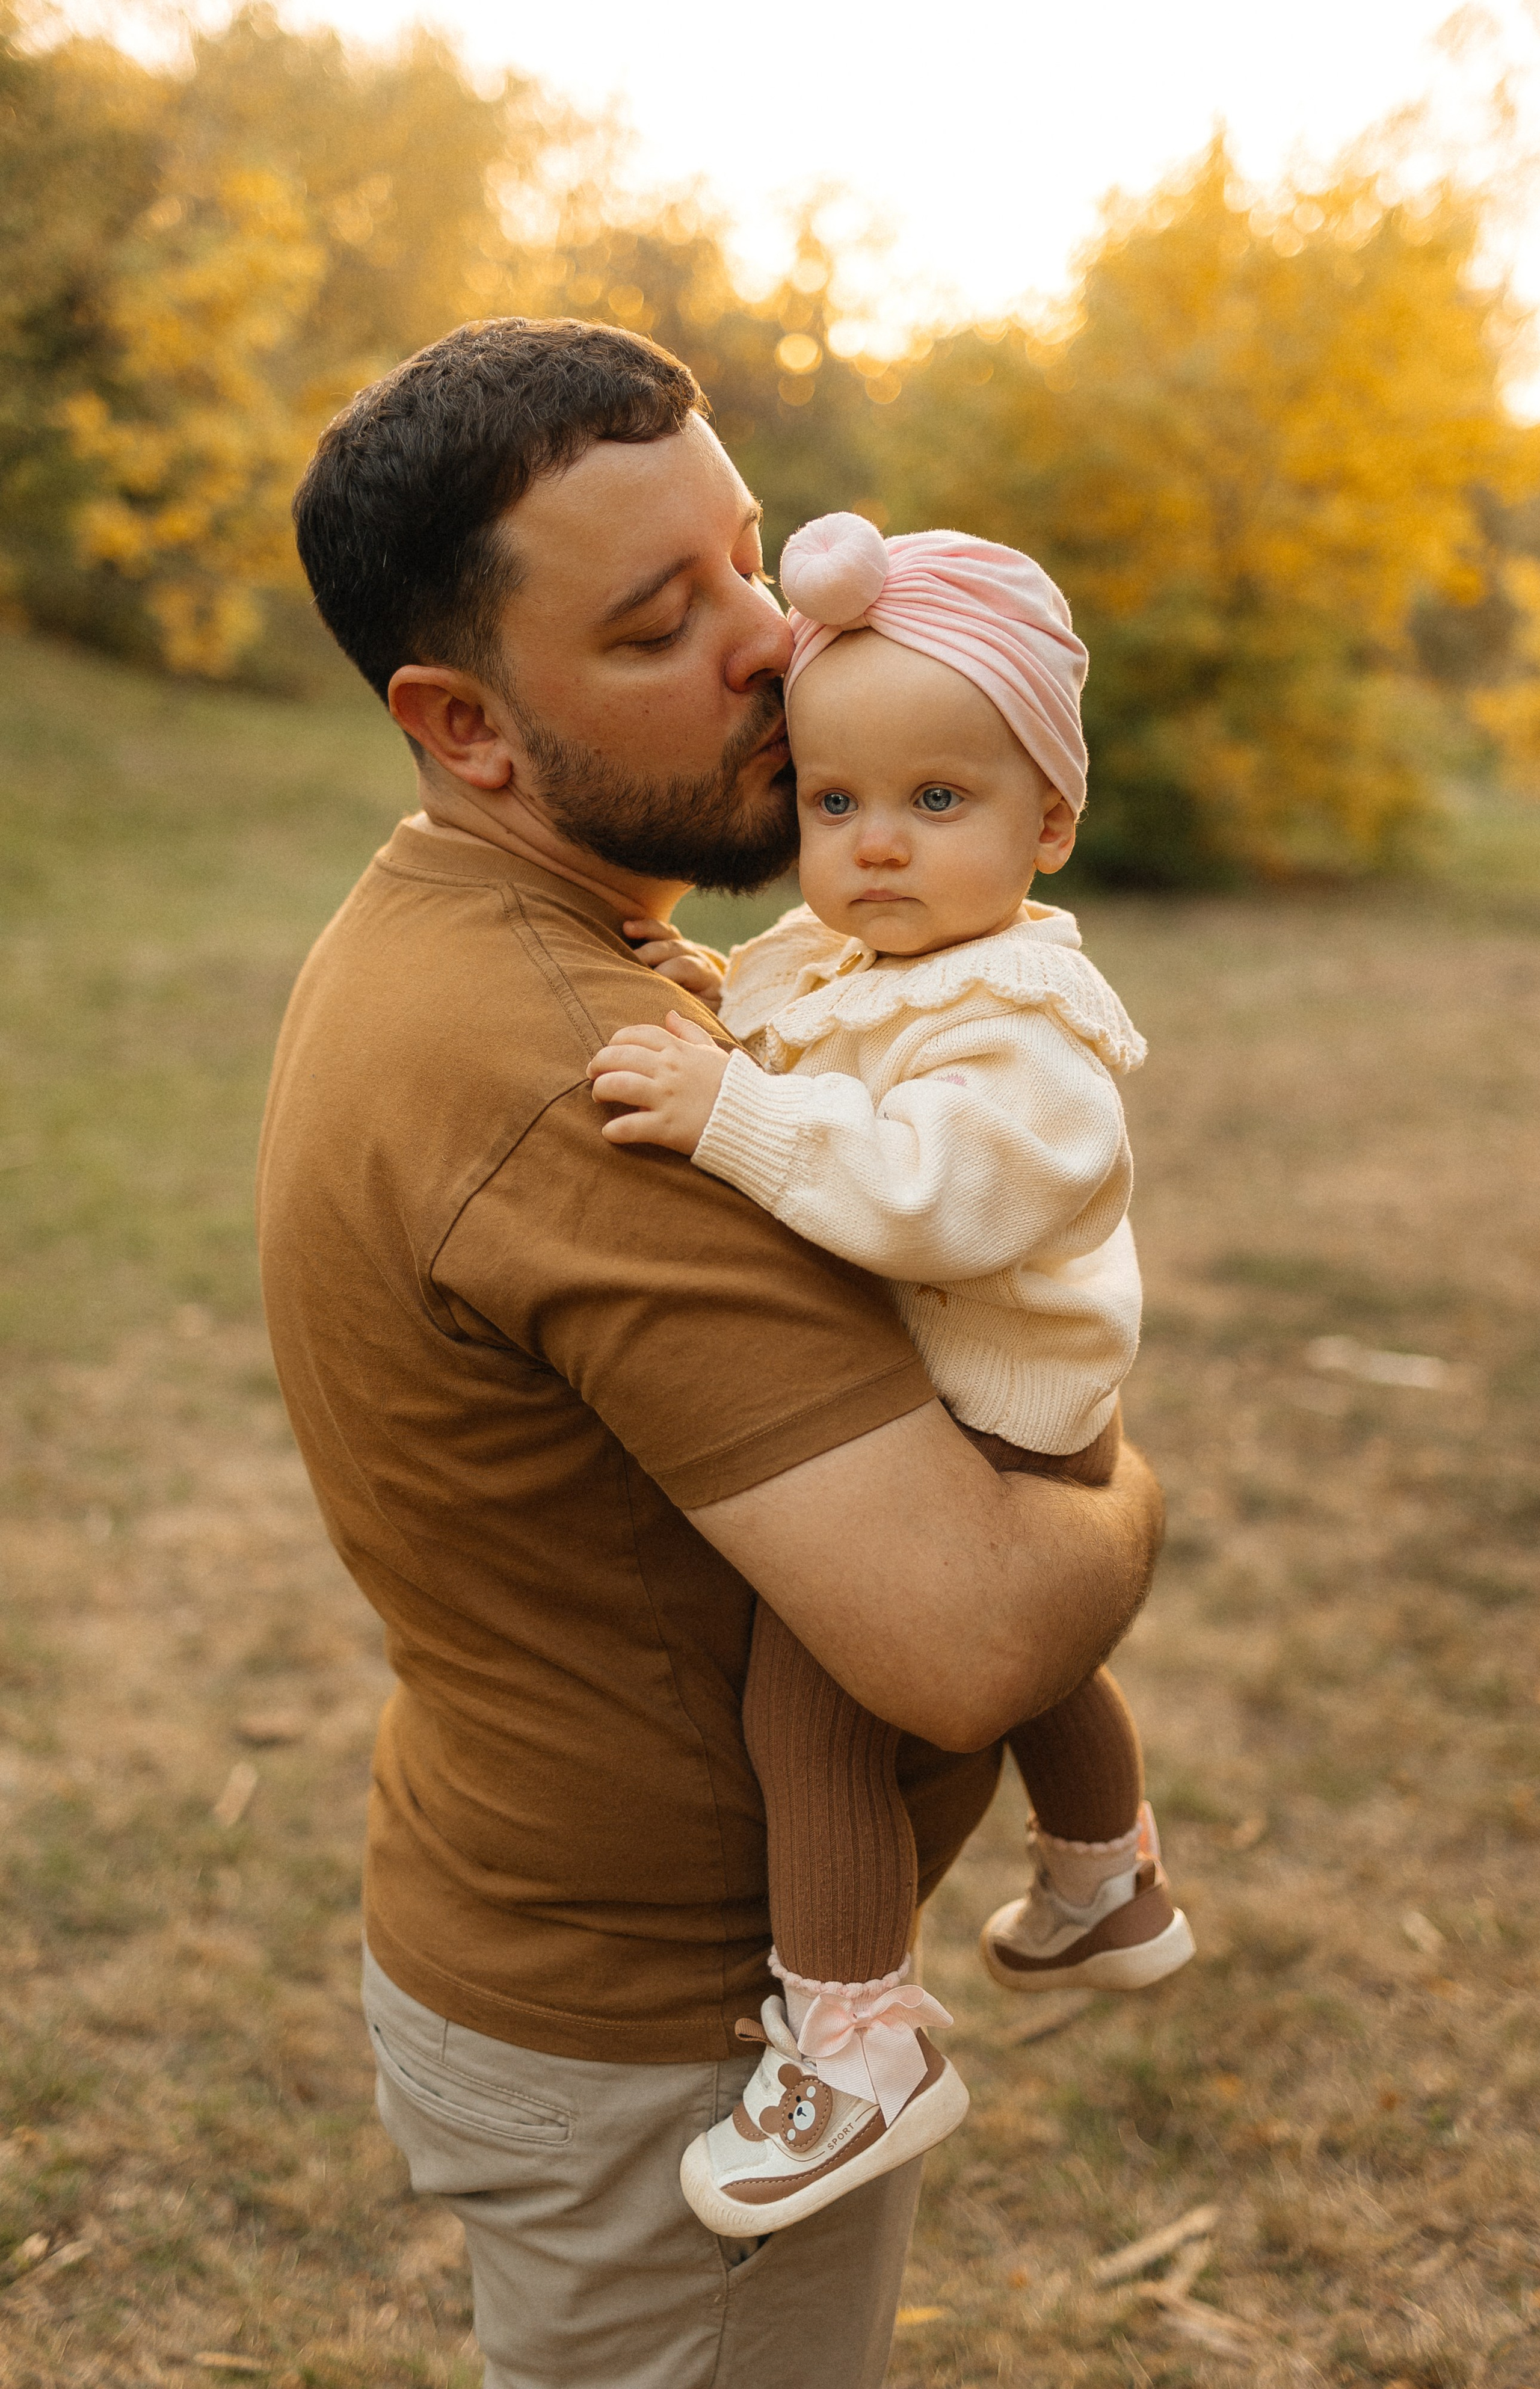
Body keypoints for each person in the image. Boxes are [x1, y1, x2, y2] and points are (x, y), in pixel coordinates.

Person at [257, 317, 1165, 2389]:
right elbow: (958, 1639)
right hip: (670, 2043)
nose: (772, 644)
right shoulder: (594, 1074)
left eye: (754, 561)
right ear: (467, 727)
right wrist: (1128, 1484)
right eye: (668, 621)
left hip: (555, 1953)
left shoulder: (502, 938)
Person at [588, 509, 1194, 2239]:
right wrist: (698, 998)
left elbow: (929, 1187)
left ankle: (858, 2037)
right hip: (1015, 1414)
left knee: (816, 1698)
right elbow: (781, 1011)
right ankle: (1106, 1877)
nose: (873, 850)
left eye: (939, 804)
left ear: (1049, 822)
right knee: (1044, 1663)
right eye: (835, 804)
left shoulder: (1028, 1028)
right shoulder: (873, 957)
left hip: (998, 1418)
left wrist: (737, 1118)